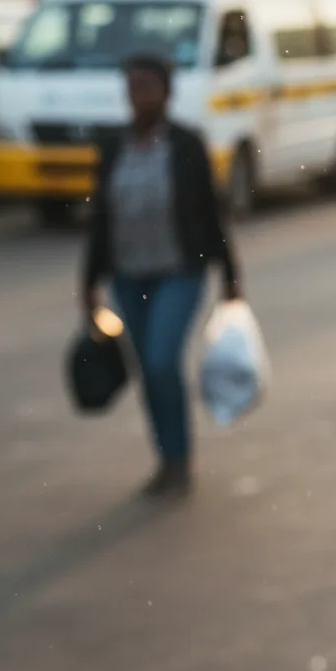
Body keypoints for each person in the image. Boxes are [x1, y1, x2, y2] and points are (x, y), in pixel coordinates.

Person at [83, 53, 240, 496]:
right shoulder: (114, 146)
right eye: (131, 87)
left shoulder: (186, 144)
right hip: (128, 276)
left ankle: (179, 458)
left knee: (160, 360)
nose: (138, 96)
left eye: (147, 87)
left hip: (179, 272)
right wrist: (89, 282)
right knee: (146, 369)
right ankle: (166, 457)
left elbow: (213, 214)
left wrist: (231, 278)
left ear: (166, 92)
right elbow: (101, 219)